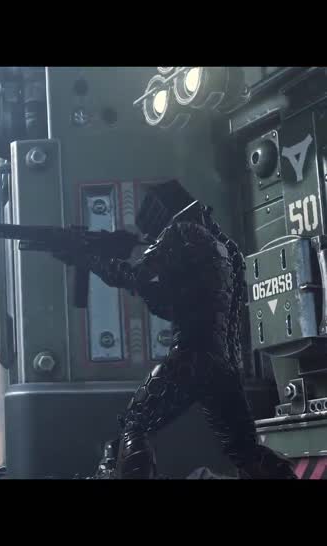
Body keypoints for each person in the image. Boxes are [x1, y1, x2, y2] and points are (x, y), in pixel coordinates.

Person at [60, 180, 295, 479]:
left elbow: (135, 276)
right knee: (244, 449)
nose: (149, 238)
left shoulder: (180, 232)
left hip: (190, 356)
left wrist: (90, 259)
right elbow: (184, 302)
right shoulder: (226, 249)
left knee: (136, 424)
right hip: (225, 364)